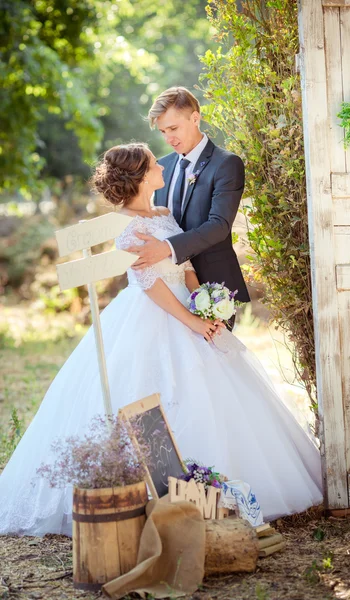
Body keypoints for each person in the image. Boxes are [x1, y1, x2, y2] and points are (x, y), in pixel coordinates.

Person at [0, 143, 322, 537]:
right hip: (155, 314)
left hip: (188, 305)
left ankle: (218, 495)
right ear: (138, 176)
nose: (161, 166)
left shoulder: (164, 213)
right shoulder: (129, 226)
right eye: (153, 164)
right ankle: (159, 493)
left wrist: (206, 304)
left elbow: (184, 266)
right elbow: (150, 283)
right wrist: (190, 320)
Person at [126, 86, 251, 329]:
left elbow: (219, 225)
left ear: (195, 118)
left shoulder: (226, 164)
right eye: (163, 131)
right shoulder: (161, 166)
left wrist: (166, 248)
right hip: (168, 291)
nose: (168, 138)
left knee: (215, 362)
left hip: (211, 287)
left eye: (173, 128)